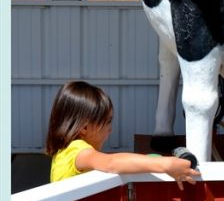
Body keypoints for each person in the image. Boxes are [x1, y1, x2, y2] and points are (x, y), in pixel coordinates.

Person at [46, 80, 200, 188]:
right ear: (84, 128)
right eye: (107, 122)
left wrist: (148, 160)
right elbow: (111, 163)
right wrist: (166, 165)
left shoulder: (64, 152)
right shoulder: (77, 150)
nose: (110, 129)